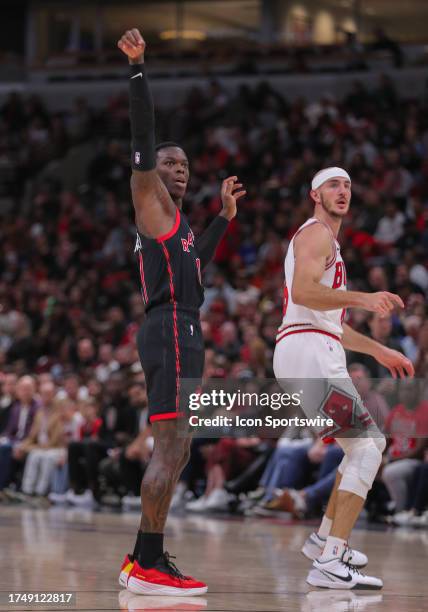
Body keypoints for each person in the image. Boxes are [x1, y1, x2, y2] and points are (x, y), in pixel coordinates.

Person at [117, 28, 245, 596]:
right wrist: (139, 69)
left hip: (180, 323)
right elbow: (143, 137)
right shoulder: (149, 196)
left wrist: (223, 218)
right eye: (171, 162)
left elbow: (198, 271)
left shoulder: (182, 228)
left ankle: (144, 558)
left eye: (185, 164)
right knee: (170, 446)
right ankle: (146, 566)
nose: (180, 168)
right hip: (169, 326)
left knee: (184, 444)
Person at [273, 167, 414, 589]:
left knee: (360, 448)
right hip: (309, 353)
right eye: (334, 184)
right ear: (315, 194)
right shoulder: (316, 233)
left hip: (312, 347)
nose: (343, 191)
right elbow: (303, 292)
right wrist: (364, 298)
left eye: (349, 185)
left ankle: (323, 542)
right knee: (370, 448)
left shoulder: (326, 241)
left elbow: (329, 319)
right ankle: (331, 558)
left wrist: (378, 349)